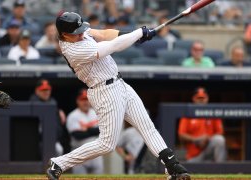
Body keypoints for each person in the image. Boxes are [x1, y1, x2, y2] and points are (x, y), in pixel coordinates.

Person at [46, 12, 190, 180]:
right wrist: (138, 33)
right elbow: (111, 47)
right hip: (104, 91)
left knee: (147, 127)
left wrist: (133, 36)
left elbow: (104, 34)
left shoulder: (77, 33)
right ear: (64, 34)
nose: (81, 33)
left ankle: (172, 167)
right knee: (107, 144)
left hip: (120, 84)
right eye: (76, 32)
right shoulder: (73, 49)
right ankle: (60, 163)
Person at [178, 87, 226, 162]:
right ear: (193, 98)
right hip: (193, 156)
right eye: (199, 98)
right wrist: (196, 139)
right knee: (189, 168)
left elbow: (220, 132)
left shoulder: (213, 112)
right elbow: (181, 134)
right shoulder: (188, 113)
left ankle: (221, 170)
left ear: (207, 98)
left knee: (219, 140)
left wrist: (207, 139)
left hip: (208, 150)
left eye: (203, 98)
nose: (201, 100)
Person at [66, 89, 103, 174]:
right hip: (79, 153)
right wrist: (94, 130)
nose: (85, 102)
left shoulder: (96, 113)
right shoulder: (73, 115)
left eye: (87, 99)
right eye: (82, 100)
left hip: (96, 153)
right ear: (77, 101)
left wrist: (87, 130)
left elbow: (102, 130)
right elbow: (77, 135)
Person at [30, 79, 71, 156]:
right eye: (43, 90)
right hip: (38, 142)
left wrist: (58, 110)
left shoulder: (52, 102)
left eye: (47, 90)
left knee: (58, 150)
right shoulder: (33, 102)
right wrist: (58, 110)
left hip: (53, 141)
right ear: (37, 91)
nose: (46, 92)